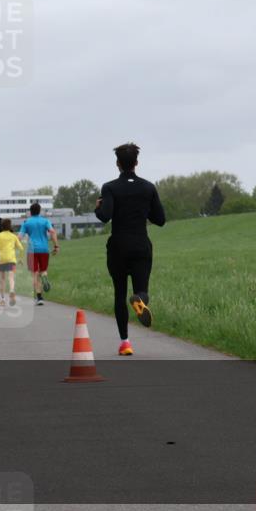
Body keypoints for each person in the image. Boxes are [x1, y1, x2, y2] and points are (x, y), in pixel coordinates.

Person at [94, 142, 166, 356]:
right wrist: (144, 208)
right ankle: (140, 301)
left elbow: (105, 216)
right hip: (141, 245)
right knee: (141, 289)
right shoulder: (148, 187)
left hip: (118, 247)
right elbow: (160, 219)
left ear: (117, 163)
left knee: (119, 293)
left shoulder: (109, 187)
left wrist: (97, 208)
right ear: (136, 163)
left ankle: (125, 342)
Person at [18, 202, 59, 305]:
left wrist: (18, 249)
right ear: (39, 211)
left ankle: (39, 297)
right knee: (43, 270)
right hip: (44, 249)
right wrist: (56, 246)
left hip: (32, 250)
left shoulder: (26, 222)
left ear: (30, 212)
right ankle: (44, 276)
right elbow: (52, 232)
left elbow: (19, 237)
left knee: (34, 274)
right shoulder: (45, 221)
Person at [0, 217, 25, 306]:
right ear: (10, 226)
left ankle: (3, 300)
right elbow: (21, 248)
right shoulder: (13, 236)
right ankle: (12, 290)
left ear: (2, 226)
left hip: (2, 261)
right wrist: (20, 258)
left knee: (2, 280)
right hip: (12, 260)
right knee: (11, 278)